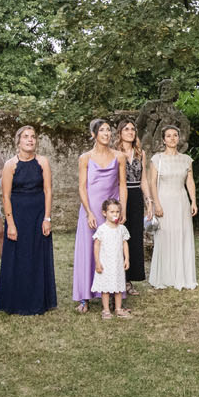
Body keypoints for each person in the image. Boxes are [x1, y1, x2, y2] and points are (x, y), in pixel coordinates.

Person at [0, 125, 58, 315]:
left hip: (39, 213)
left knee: (38, 254)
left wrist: (47, 218)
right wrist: (11, 223)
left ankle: (39, 300)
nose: (30, 140)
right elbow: (5, 196)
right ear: (18, 141)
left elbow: (48, 190)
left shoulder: (43, 162)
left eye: (33, 137)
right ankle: (17, 301)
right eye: (26, 137)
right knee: (18, 256)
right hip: (17, 214)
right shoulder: (10, 165)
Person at [73, 118, 124, 312]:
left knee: (112, 250)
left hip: (111, 209)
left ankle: (113, 294)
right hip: (91, 209)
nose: (107, 134)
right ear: (94, 134)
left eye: (109, 130)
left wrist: (122, 209)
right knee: (88, 250)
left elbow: (122, 185)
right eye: (102, 130)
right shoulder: (85, 157)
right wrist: (88, 212)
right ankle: (85, 297)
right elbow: (82, 187)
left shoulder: (119, 156)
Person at [147, 125, 199, 290]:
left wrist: (193, 201)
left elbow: (189, 181)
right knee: (164, 236)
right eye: (168, 136)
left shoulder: (186, 159)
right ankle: (164, 275)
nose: (172, 138)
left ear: (179, 138)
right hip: (164, 200)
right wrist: (156, 204)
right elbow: (152, 183)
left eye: (175, 135)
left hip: (181, 201)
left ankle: (182, 275)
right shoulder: (157, 159)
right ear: (163, 140)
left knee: (181, 235)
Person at [116, 120, 150, 292]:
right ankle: (119, 278)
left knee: (134, 237)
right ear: (120, 132)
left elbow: (144, 179)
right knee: (119, 237)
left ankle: (130, 279)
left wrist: (148, 201)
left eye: (132, 129)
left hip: (136, 196)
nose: (130, 132)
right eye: (126, 129)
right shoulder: (114, 152)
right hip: (119, 196)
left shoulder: (140, 153)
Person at [92, 198, 132, 320]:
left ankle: (118, 308)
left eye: (117, 212)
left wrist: (127, 259)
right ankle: (106, 309)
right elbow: (96, 245)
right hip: (105, 263)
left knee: (118, 286)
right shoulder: (102, 229)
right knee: (105, 288)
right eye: (112, 212)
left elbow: (125, 243)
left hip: (117, 263)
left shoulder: (121, 229)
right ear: (105, 213)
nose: (115, 214)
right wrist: (97, 262)